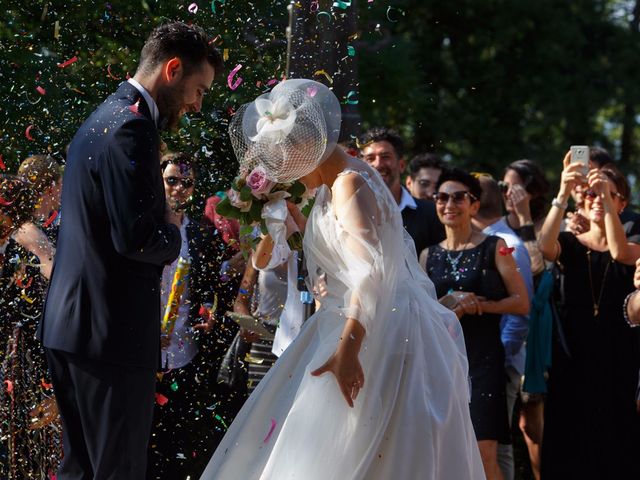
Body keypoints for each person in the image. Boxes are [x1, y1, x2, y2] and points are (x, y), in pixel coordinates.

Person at [201, 79, 484, 479]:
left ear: (306, 148)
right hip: (356, 322)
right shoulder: (335, 185)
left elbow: (369, 274)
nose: (286, 174)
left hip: (373, 333)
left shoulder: (349, 182)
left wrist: (348, 350)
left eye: (287, 162)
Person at [38, 22, 222, 479]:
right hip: (111, 335)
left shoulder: (102, 115)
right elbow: (137, 238)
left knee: (79, 470)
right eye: (197, 90)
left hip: (72, 329)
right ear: (173, 69)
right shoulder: (133, 128)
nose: (197, 105)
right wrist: (175, 230)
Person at [537, 155, 640, 479]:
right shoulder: (568, 243)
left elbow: (619, 253)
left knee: (615, 441)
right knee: (568, 439)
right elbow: (544, 245)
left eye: (609, 195)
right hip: (572, 354)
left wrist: (604, 199)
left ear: (622, 204)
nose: (597, 200)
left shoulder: (632, 245)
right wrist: (565, 190)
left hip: (617, 355)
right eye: (592, 194)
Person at [424, 168, 529, 480]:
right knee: (443, 453)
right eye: (442, 197)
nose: (449, 204)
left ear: (473, 204)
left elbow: (522, 302)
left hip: (483, 361)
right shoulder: (428, 255)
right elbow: (424, 312)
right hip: (442, 363)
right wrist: (451, 304)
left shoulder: (494, 246)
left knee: (483, 454)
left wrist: (479, 305)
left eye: (459, 197)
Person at [146, 152, 232, 479]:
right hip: (143, 354)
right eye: (172, 181)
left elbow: (211, 285)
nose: (179, 188)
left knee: (177, 444)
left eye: (187, 183)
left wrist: (210, 311)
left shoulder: (198, 232)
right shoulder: (145, 228)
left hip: (184, 354)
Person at [0, 156, 62, 478]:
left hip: (31, 356)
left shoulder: (29, 236)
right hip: (20, 357)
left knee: (34, 454)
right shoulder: (28, 235)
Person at [470, 175, 533, 480]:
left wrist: (502, 358)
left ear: (474, 203)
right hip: (478, 362)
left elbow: (521, 314)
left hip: (499, 363)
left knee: (498, 446)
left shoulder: (507, 244)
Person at [359, 127, 444, 256]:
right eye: (370, 158)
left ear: (401, 165)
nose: (378, 164)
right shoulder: (353, 210)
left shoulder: (431, 213)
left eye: (385, 156)